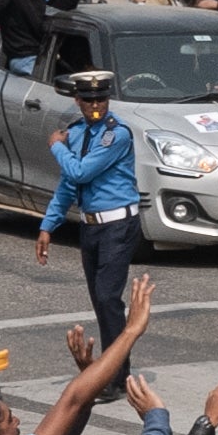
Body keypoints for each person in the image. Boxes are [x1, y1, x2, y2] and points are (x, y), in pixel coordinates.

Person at [34, 68, 143, 346]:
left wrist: (57, 147)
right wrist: (48, 225)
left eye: (101, 100)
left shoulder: (115, 134)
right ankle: (109, 370)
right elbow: (69, 184)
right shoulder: (76, 132)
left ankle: (117, 374)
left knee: (108, 298)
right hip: (91, 226)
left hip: (118, 225)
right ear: (78, 101)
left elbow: (82, 172)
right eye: (89, 100)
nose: (96, 106)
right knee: (99, 300)